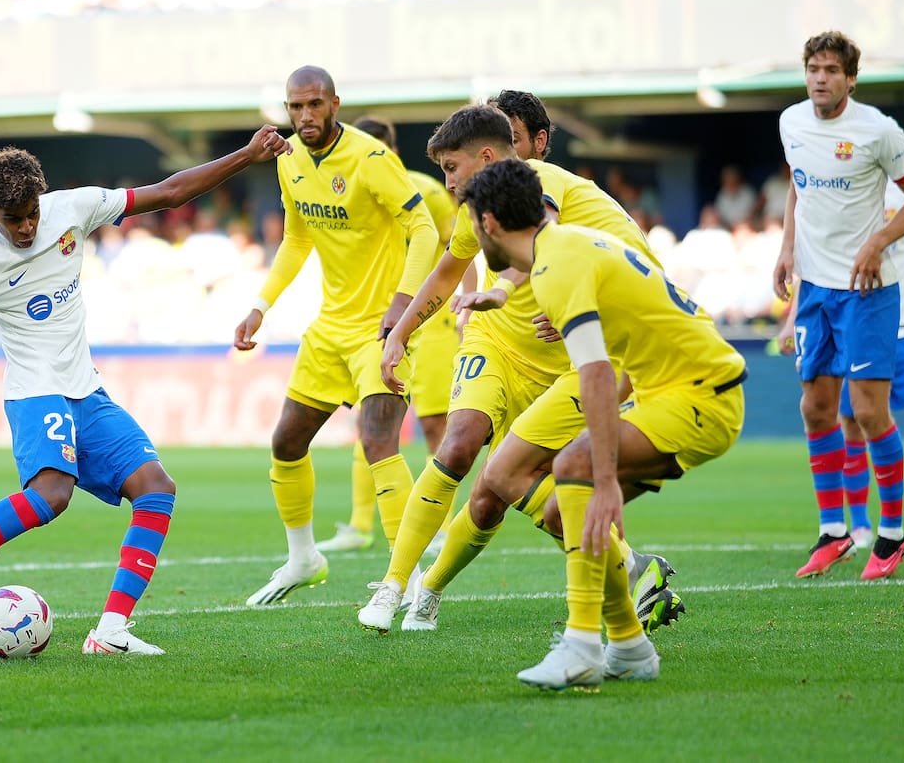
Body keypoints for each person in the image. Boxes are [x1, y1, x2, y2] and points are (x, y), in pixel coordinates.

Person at [0, 126, 293, 654]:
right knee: (52, 495)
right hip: (35, 391)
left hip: (85, 389)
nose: (26, 227)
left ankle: (110, 632)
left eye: (32, 213)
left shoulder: (73, 208)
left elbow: (169, 192)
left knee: (156, 487)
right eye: (12, 219)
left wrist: (247, 155)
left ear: (42, 198)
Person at [358, 102, 678, 636]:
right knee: (459, 444)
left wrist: (563, 298)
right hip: (497, 343)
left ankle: (432, 588)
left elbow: (541, 242)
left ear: (487, 156)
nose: (448, 181)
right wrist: (400, 333)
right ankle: (395, 585)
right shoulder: (481, 203)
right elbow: (448, 272)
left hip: (578, 364)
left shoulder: (538, 184)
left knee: (496, 495)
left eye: (452, 168)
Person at [460, 158, 747, 689]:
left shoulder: (556, 267)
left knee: (574, 467)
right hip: (676, 389)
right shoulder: (565, 245)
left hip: (700, 394)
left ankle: (582, 646)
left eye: (473, 225)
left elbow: (594, 372)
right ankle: (631, 647)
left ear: (490, 223)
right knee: (561, 511)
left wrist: (605, 474)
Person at [234, 66, 438, 605]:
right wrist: (260, 306)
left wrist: (403, 304)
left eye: (315, 104)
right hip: (330, 328)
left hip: (381, 329)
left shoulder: (372, 158)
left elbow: (424, 229)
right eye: (295, 106)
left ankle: (409, 578)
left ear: (335, 104)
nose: (305, 116)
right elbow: (297, 240)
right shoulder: (289, 160)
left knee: (378, 441)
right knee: (286, 442)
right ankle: (304, 558)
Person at [773, 30, 904, 581]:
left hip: (867, 291)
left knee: (868, 413)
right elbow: (798, 187)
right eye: (813, 69)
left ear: (851, 79)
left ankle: (891, 534)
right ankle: (834, 532)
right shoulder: (791, 123)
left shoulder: (879, 131)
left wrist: (878, 242)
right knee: (815, 409)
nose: (820, 79)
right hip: (814, 291)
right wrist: (786, 248)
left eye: (830, 71)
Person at [315, 113, 475, 556]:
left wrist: (468, 303)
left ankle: (440, 527)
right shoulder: (352, 195)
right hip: (379, 322)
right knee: (372, 421)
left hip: (433, 323)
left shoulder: (428, 192)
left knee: (435, 424)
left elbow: (460, 249)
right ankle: (359, 525)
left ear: (392, 152)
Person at [779, 180, 904, 550]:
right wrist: (791, 319)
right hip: (858, 326)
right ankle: (861, 524)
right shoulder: (841, 190)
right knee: (852, 423)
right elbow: (820, 263)